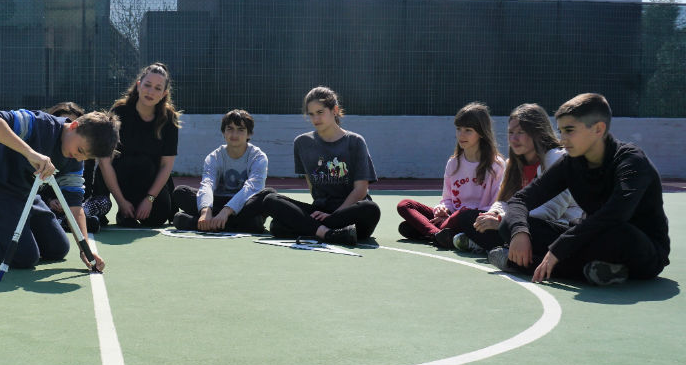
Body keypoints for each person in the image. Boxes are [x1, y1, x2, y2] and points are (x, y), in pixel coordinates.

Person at [493, 93, 670, 286]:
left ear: (598, 129)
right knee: (507, 226)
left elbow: (615, 215)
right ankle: (596, 271)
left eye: (570, 131)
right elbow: (520, 200)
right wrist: (519, 232)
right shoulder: (571, 162)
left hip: (639, 248)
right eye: (561, 131)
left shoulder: (631, 161)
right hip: (586, 239)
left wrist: (559, 249)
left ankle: (530, 265)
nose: (563, 139)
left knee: (617, 234)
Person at [0, 108, 120, 271]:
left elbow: (75, 206)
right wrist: (30, 153)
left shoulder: (74, 159)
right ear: (74, 126)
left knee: (58, 249)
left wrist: (85, 248)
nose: (78, 159)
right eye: (80, 151)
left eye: (85, 157)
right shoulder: (38, 124)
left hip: (23, 196)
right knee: (24, 257)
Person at [450, 103, 581, 254]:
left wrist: (501, 222)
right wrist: (493, 214)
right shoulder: (513, 164)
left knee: (516, 228)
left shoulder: (558, 159)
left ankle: (496, 249)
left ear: (538, 133)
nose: (514, 138)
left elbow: (549, 212)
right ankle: (504, 250)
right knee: (468, 218)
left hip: (558, 228)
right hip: (520, 225)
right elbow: (504, 201)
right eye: (511, 132)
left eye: (521, 132)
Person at [262, 87, 380, 245]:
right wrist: (321, 213)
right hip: (320, 211)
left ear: (335, 110)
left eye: (320, 112)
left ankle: (310, 228)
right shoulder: (302, 143)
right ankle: (329, 234)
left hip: (350, 212)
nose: (315, 119)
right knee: (270, 200)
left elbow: (361, 189)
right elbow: (312, 186)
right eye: (311, 114)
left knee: (371, 209)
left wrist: (334, 214)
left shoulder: (355, 141)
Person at [396, 102, 504, 245]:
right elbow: (448, 199)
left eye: (468, 130)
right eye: (458, 129)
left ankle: (429, 231)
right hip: (452, 216)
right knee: (405, 205)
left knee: (458, 216)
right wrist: (443, 209)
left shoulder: (496, 165)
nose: (461, 135)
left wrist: (457, 216)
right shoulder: (453, 163)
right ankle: (437, 235)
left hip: (478, 218)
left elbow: (498, 204)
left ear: (482, 133)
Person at [97, 63, 180, 227]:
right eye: (147, 85)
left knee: (157, 218)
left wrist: (149, 200)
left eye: (157, 88)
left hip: (150, 178)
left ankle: (139, 207)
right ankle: (110, 209)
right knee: (102, 167)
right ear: (138, 85)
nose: (151, 92)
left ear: (164, 93)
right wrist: (121, 202)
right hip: (123, 175)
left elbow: (166, 165)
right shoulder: (119, 112)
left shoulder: (169, 119)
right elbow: (105, 161)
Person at [171, 109, 275, 233]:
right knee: (180, 192)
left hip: (244, 204)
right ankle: (241, 225)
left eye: (240, 130)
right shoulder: (214, 157)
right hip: (216, 203)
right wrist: (205, 211)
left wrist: (226, 211)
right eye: (230, 129)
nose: (234, 134)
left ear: (249, 134)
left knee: (268, 194)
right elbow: (207, 184)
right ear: (223, 132)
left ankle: (201, 223)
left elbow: (252, 187)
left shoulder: (258, 157)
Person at [42, 102, 104, 233]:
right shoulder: (44, 143)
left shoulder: (83, 155)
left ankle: (65, 222)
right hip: (47, 204)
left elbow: (82, 189)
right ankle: (60, 222)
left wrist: (68, 203)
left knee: (103, 202)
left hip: (71, 204)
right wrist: (50, 200)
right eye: (66, 123)